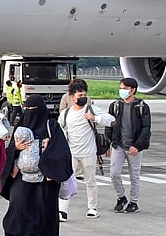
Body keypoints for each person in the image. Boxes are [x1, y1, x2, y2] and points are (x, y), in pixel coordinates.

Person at [0, 95, 73, 236]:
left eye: (34, 110)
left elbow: (62, 150)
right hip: (22, 175)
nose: (30, 113)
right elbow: (10, 149)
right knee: (17, 206)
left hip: (45, 176)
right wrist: (16, 148)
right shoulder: (22, 125)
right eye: (28, 110)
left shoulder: (51, 126)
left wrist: (47, 150)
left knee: (42, 208)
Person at [56, 80, 105, 218]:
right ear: (72, 97)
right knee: (65, 181)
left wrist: (96, 118)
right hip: (71, 152)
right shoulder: (66, 113)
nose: (83, 97)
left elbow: (110, 120)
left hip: (89, 152)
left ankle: (92, 207)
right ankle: (63, 210)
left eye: (84, 94)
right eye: (80, 95)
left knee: (91, 181)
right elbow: (59, 130)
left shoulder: (91, 109)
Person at [107, 77, 151, 213]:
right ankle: (121, 197)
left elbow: (146, 128)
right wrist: (110, 142)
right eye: (121, 88)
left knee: (134, 176)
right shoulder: (115, 105)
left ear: (133, 90)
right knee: (114, 174)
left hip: (134, 148)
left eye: (125, 88)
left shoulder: (141, 107)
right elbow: (110, 123)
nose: (122, 91)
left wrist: (137, 146)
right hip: (118, 145)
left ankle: (134, 202)